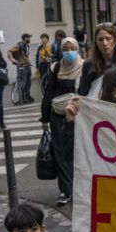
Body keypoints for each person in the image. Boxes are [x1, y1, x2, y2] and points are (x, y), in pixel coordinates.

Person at [40, 37, 83, 206]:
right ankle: (65, 190)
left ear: (77, 49)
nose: (69, 52)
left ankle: (79, 186)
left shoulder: (83, 67)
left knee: (75, 151)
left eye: (72, 48)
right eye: (66, 48)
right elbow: (48, 93)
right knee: (60, 153)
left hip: (77, 115)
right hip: (57, 116)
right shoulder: (55, 67)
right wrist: (44, 117)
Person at [78, 23, 116, 98]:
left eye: (108, 38)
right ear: (96, 42)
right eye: (100, 39)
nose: (104, 43)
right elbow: (83, 93)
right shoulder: (88, 64)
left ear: (115, 40)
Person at [8, 34, 34, 103]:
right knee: (23, 83)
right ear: (25, 38)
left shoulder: (26, 45)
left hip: (27, 65)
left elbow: (26, 55)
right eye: (29, 38)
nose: (30, 39)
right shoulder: (19, 45)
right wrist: (13, 60)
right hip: (22, 66)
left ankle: (27, 95)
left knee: (28, 83)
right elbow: (10, 51)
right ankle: (22, 98)